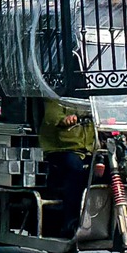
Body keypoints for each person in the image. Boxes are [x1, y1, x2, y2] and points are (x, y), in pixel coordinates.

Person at [34, 95, 96, 232]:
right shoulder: (55, 97)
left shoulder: (92, 98)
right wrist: (65, 119)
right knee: (74, 167)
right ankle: (71, 221)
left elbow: (110, 112)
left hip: (89, 151)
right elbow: (52, 116)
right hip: (60, 150)